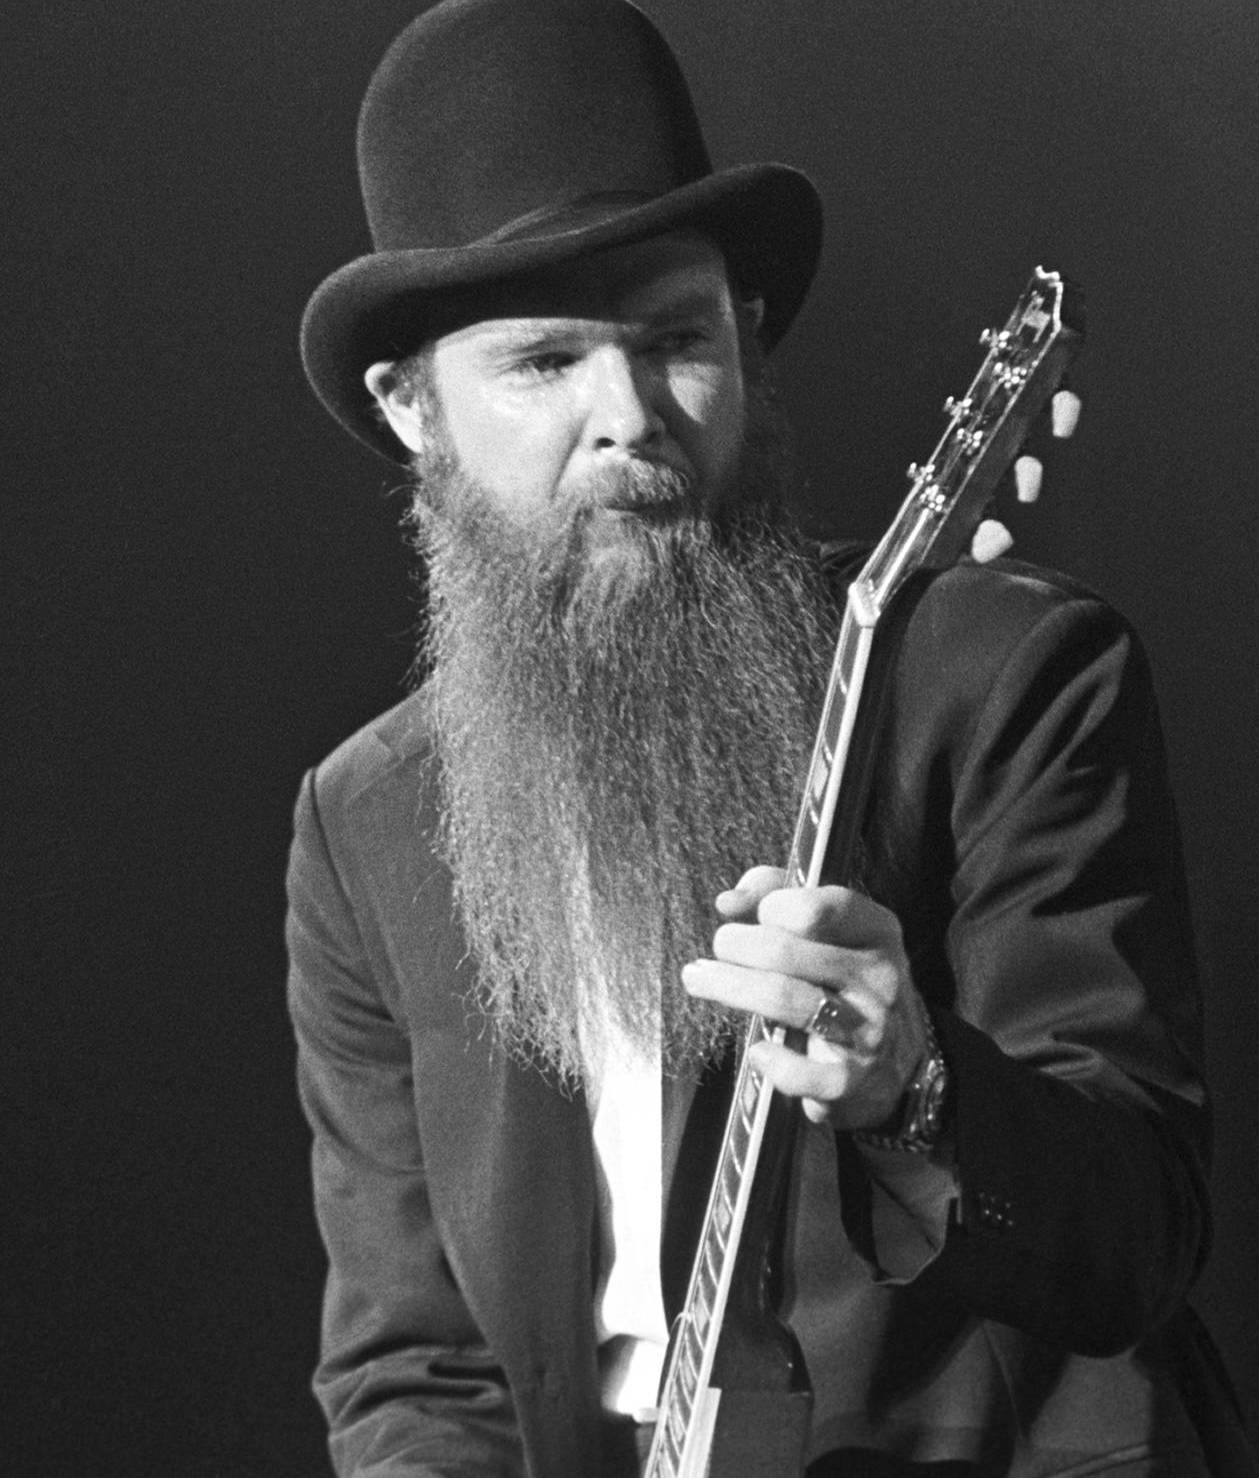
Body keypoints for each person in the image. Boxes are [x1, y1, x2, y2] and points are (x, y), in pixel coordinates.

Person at [285, 1, 1252, 1473]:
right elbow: (413, 1364)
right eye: (541, 362)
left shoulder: (1002, 678)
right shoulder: (366, 821)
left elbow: (1140, 1236)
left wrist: (917, 1086)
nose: (627, 415)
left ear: (741, 340)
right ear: (411, 410)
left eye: (674, 338)